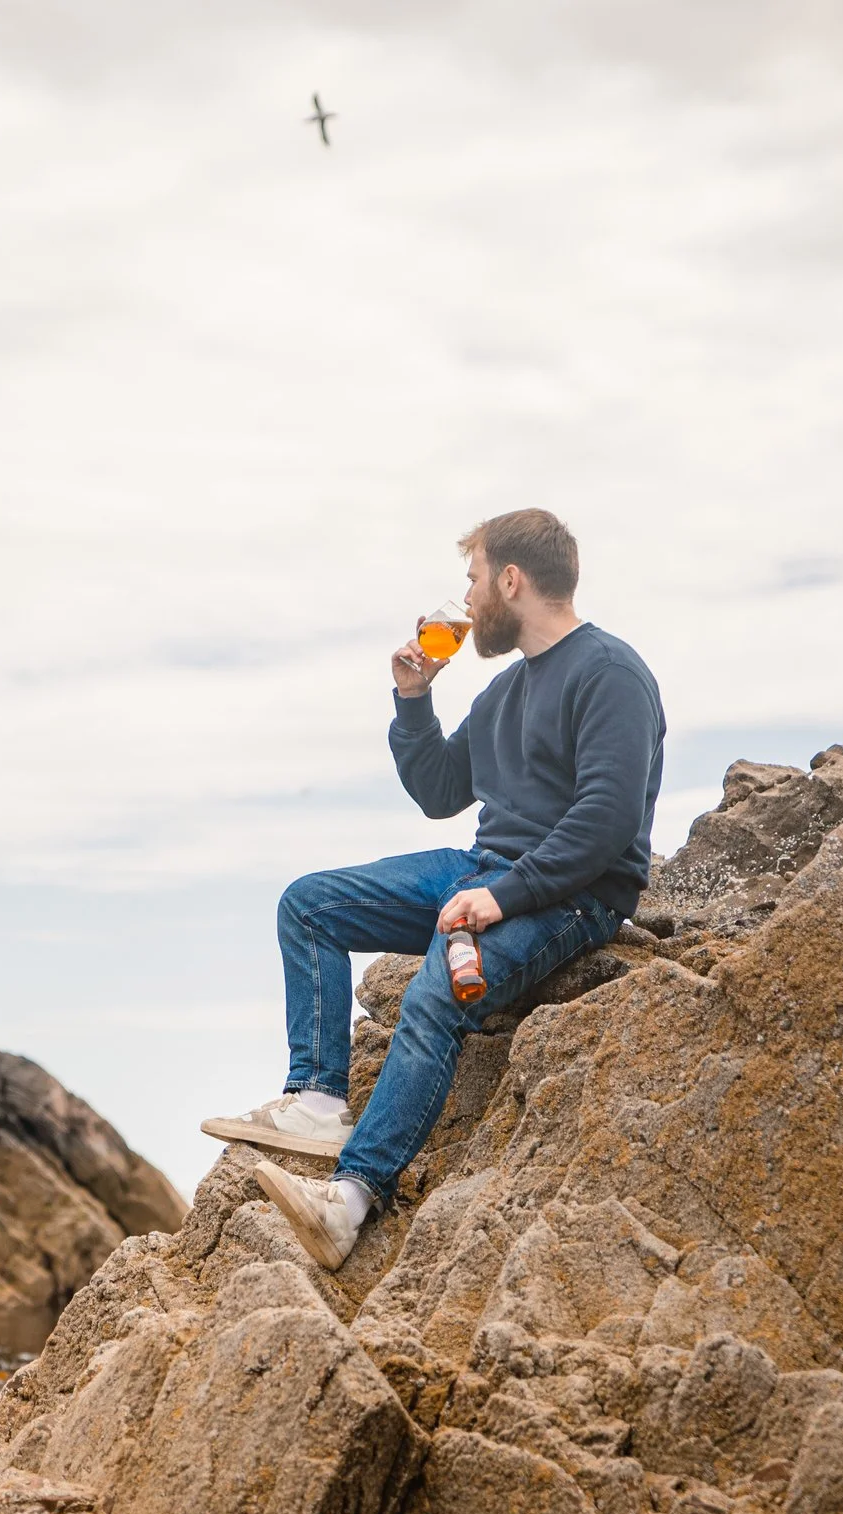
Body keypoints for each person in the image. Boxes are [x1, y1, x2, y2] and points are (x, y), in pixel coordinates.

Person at [202, 508, 664, 1270]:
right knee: (308, 905)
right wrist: (413, 699)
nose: (468, 595)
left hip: (572, 894)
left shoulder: (610, 673)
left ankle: (348, 1202)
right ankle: (318, 1101)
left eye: (474, 577)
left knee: (432, 994)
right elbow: (441, 788)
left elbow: (607, 822)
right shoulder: (503, 693)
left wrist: (504, 897)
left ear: (511, 580)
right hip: (481, 867)